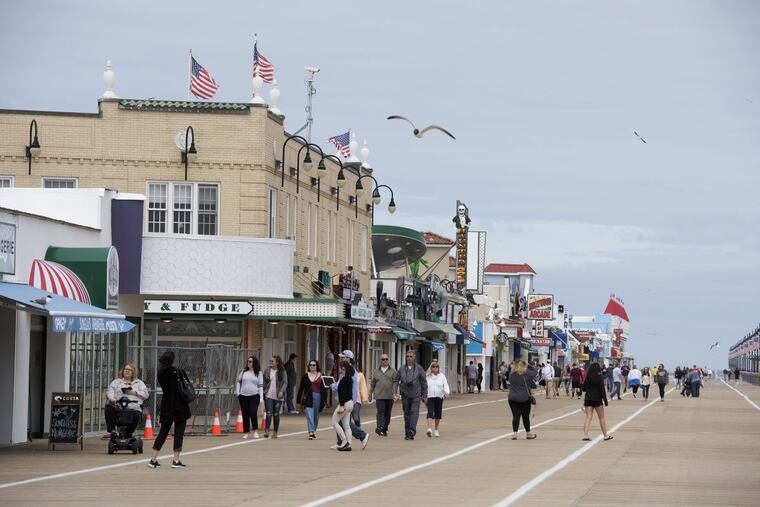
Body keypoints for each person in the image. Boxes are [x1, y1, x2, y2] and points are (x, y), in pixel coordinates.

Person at [149, 351, 191, 469]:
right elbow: (186, 384)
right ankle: (176, 460)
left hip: (166, 404)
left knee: (163, 432)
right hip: (179, 405)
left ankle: (153, 459)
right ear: (173, 360)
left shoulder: (160, 373)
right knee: (179, 433)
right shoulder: (177, 372)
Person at [330, 350, 369, 450]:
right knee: (345, 424)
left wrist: (354, 403)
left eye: (343, 357)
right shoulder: (345, 371)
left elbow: (353, 389)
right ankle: (345, 443)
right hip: (346, 401)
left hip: (346, 402)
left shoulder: (351, 373)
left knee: (338, 422)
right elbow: (340, 385)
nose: (341, 359)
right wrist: (333, 385)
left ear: (348, 358)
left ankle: (358, 437)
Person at [105, 363, 148, 439]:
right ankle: (112, 431)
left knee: (137, 415)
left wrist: (134, 393)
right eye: (125, 369)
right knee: (108, 408)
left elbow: (146, 395)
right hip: (119, 407)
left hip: (133, 408)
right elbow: (110, 391)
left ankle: (128, 433)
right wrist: (112, 399)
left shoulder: (139, 383)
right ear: (122, 371)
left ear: (133, 372)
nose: (127, 371)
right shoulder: (116, 382)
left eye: (129, 370)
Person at [394, 349, 427, 440]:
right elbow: (396, 380)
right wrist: (395, 391)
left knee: (414, 413)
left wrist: (425, 395)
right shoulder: (401, 368)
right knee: (406, 414)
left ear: (414, 357)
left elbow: (424, 382)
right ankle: (407, 432)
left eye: (410, 356)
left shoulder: (419, 369)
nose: (409, 358)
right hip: (405, 394)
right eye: (407, 356)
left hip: (416, 395)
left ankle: (412, 430)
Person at [581, 362, 612, 441]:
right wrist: (605, 401)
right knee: (601, 418)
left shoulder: (587, 377)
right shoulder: (599, 377)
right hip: (597, 399)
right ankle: (605, 435)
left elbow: (583, 388)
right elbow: (602, 390)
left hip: (588, 399)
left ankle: (585, 435)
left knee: (588, 418)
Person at [297, 359, 327, 439]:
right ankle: (311, 432)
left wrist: (324, 401)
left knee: (316, 416)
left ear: (317, 366)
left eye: (314, 365)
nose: (312, 366)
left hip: (319, 397)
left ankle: (313, 430)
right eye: (310, 365)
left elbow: (325, 390)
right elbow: (301, 388)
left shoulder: (322, 375)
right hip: (308, 398)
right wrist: (298, 400)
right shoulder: (305, 376)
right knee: (309, 415)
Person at [507, 360, 537, 440]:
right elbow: (535, 371)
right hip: (524, 398)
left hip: (512, 398)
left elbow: (510, 368)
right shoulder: (527, 374)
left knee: (516, 416)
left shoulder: (512, 374)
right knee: (525, 416)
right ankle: (528, 433)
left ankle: (514, 434)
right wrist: (529, 365)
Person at [235, 356, 263, 439]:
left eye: (250, 361)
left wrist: (261, 397)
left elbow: (260, 385)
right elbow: (238, 382)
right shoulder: (243, 372)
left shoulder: (259, 373)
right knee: (245, 414)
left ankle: (255, 430)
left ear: (254, 362)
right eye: (248, 361)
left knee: (253, 412)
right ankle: (246, 432)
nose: (248, 363)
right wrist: (238, 393)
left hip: (255, 395)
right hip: (243, 396)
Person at [369, 353, 396, 436]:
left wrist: (397, 393)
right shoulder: (376, 371)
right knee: (380, 412)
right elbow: (373, 384)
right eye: (383, 359)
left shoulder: (393, 371)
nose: (385, 361)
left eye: (386, 359)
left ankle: (384, 428)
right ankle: (380, 427)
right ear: (380, 360)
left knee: (387, 414)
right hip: (379, 396)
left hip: (389, 396)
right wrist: (370, 394)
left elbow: (396, 383)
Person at [331, 360, 354, 451]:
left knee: (334, 422)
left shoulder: (344, 379)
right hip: (350, 403)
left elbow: (343, 394)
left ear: (343, 368)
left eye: (339, 368)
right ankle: (349, 443)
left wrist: (341, 405)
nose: (338, 369)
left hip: (345, 403)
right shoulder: (349, 378)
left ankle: (344, 441)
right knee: (346, 425)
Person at [263, 356, 287, 438]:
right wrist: (263, 390)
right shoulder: (267, 370)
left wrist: (281, 391)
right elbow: (263, 380)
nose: (270, 362)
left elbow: (285, 383)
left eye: (272, 361)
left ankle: (275, 432)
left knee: (276, 414)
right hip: (268, 395)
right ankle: (267, 430)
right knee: (269, 413)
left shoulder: (282, 372)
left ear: (277, 362)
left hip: (278, 396)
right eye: (270, 361)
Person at [425, 362, 450, 437]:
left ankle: (436, 430)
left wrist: (447, 392)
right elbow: (424, 386)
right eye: (433, 366)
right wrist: (423, 395)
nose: (435, 368)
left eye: (437, 366)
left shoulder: (442, 376)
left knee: (438, 414)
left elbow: (445, 385)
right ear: (431, 368)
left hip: (439, 397)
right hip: (430, 397)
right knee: (430, 412)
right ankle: (429, 428)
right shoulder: (427, 376)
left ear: (439, 368)